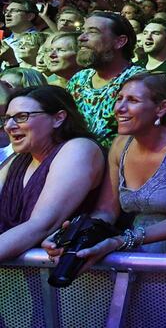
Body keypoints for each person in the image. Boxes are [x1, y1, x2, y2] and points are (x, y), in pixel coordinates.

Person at [44, 73, 166, 267]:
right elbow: (106, 211)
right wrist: (76, 233)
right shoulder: (120, 144)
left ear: (161, 108)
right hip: (136, 252)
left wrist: (124, 240)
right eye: (119, 99)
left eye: (132, 100)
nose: (120, 108)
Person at [0, 86, 104, 261]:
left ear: (58, 118)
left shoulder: (79, 148)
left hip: (78, 282)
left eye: (21, 117)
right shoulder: (16, 160)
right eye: (7, 118)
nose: (9, 126)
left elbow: (41, 225)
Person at [68, 12, 144, 147]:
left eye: (92, 32)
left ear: (120, 41)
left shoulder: (138, 81)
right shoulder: (79, 79)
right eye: (82, 31)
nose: (81, 38)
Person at [1, 0, 39, 69]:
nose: (7, 14)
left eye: (14, 11)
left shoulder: (40, 40)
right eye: (6, 11)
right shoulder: (5, 41)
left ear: (30, 16)